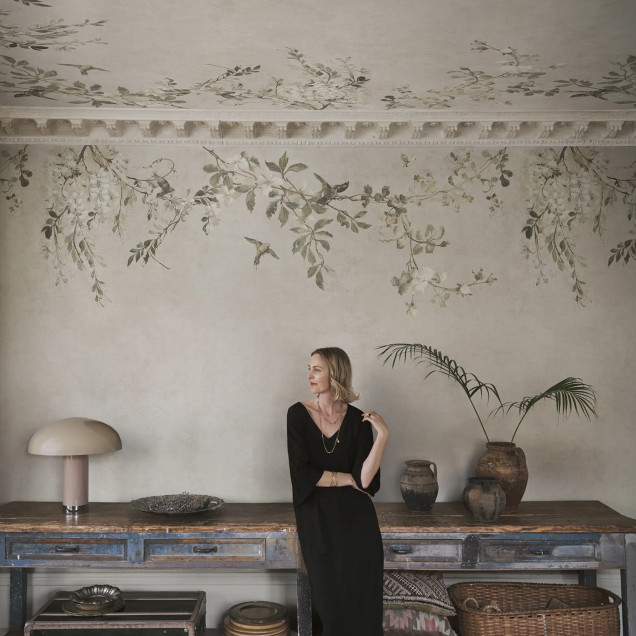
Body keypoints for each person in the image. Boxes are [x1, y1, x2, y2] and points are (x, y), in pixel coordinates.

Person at [287, 347, 390, 636]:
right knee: (331, 609)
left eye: (317, 369)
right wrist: (347, 479)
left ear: (335, 373)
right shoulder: (297, 414)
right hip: (316, 516)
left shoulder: (358, 419)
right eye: (309, 368)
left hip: (358, 521)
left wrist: (383, 436)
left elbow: (365, 481)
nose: (309, 375)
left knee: (364, 607)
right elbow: (302, 476)